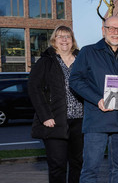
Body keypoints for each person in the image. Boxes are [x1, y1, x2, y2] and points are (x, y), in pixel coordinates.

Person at [70, 16, 118, 183]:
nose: (115, 32)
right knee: (90, 169)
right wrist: (97, 99)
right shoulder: (88, 52)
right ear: (103, 30)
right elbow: (75, 80)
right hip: (97, 119)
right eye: (111, 28)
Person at [28, 26, 83, 183]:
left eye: (67, 36)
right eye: (60, 36)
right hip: (55, 121)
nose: (64, 39)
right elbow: (34, 88)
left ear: (72, 40)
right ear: (54, 40)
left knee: (77, 164)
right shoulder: (46, 61)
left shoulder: (81, 59)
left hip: (80, 121)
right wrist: (45, 116)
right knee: (57, 165)